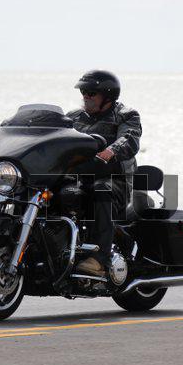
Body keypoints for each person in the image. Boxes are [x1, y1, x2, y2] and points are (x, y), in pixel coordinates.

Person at [66, 70, 142, 277]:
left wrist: (111, 151)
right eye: (83, 91)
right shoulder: (72, 117)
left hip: (114, 179)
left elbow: (129, 138)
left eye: (91, 92)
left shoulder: (126, 115)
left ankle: (99, 260)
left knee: (101, 189)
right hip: (79, 177)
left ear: (108, 96)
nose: (85, 96)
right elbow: (52, 135)